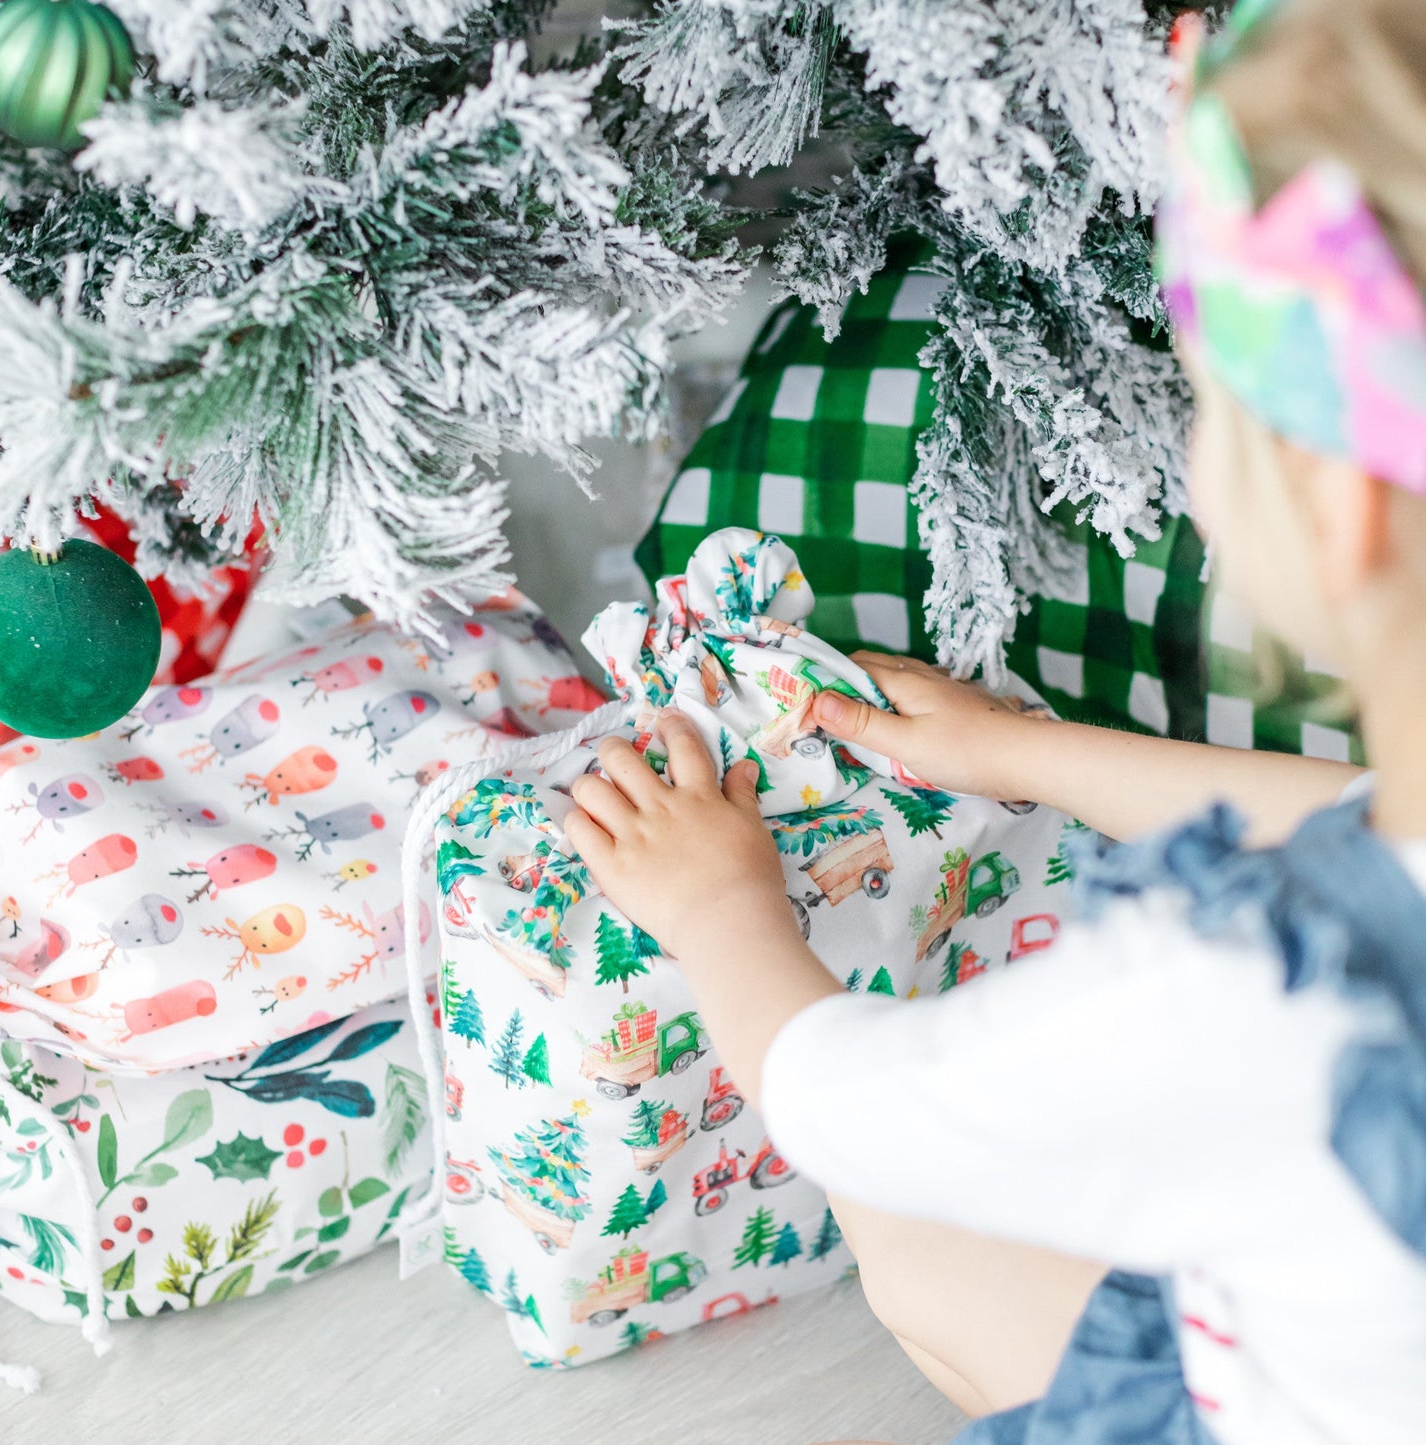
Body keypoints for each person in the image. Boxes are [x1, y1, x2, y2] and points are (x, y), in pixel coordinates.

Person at [563, 0, 1426, 1440]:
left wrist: (719, 907)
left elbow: (865, 1114)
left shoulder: (1247, 994)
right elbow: (1344, 824)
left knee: (921, 1255)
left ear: (1333, 506)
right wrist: (1006, 750)